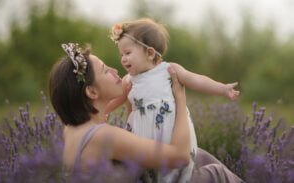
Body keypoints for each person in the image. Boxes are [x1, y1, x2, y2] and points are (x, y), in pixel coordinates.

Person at [106, 18, 240, 182]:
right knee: (144, 169)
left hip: (172, 135)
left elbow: (197, 80)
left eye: (128, 53)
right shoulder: (129, 80)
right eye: (121, 54)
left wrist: (222, 89)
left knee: (173, 170)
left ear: (149, 53)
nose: (123, 59)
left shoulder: (169, 70)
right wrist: (103, 111)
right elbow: (117, 99)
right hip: (142, 137)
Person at [48, 43, 191, 180]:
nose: (115, 71)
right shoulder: (103, 136)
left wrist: (126, 97)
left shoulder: (71, 129)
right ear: (92, 92)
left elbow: (101, 112)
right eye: (106, 70)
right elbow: (180, 157)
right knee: (210, 168)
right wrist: (180, 98)